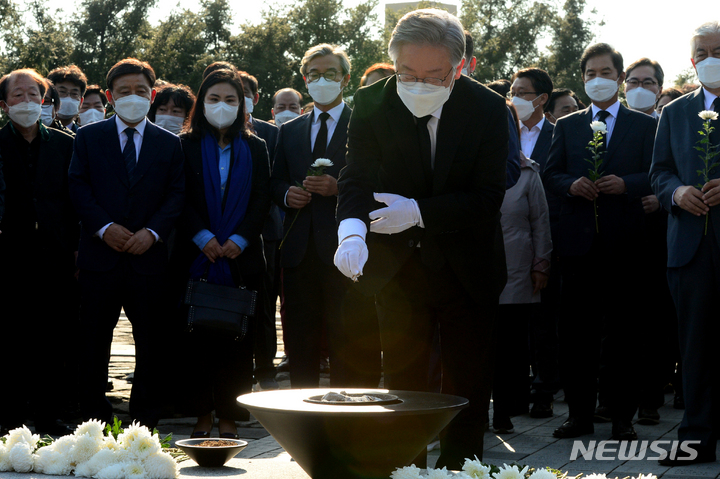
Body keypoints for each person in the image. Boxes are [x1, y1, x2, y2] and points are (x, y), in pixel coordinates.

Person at [334, 8, 509, 468]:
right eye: (407, 72)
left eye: (434, 75)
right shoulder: (371, 102)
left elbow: (489, 195)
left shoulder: (487, 107)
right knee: (405, 383)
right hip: (399, 269)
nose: (418, 84)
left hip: (468, 266)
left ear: (458, 67)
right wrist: (351, 232)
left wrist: (418, 212)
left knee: (467, 386)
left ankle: (462, 472)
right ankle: (407, 471)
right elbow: (355, 177)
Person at [543, 43, 656, 441]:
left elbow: (657, 173)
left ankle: (622, 417)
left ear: (620, 78)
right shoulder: (567, 125)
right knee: (575, 335)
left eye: (605, 72)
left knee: (624, 334)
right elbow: (550, 174)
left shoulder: (644, 126)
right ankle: (578, 416)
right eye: (590, 73)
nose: (596, 80)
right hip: (577, 247)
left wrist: (629, 184)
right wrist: (569, 184)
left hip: (626, 244)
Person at [68, 58, 185, 428]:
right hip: (100, 256)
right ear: (109, 96)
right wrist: (103, 227)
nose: (132, 97)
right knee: (92, 340)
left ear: (151, 94)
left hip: (147, 258)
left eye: (139, 91)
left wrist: (151, 233)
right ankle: (92, 415)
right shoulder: (88, 137)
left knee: (151, 340)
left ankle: (145, 415)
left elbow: (176, 194)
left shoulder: (170, 143)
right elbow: (78, 186)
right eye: (123, 92)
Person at [271, 43, 381, 388]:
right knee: (300, 340)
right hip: (299, 252)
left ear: (345, 78)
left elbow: (381, 180)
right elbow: (273, 182)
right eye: (314, 74)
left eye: (330, 73)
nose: (322, 80)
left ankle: (348, 413)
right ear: (305, 80)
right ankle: (303, 417)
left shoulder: (365, 125)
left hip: (345, 249)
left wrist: (340, 189)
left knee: (347, 336)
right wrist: (287, 194)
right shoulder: (289, 130)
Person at [171, 69, 271, 438]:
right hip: (197, 255)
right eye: (214, 98)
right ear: (201, 104)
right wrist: (203, 236)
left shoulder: (257, 146)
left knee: (238, 343)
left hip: (241, 259)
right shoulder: (184, 145)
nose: (222, 106)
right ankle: (201, 413)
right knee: (195, 340)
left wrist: (240, 239)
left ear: (242, 105)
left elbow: (262, 198)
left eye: (231, 99)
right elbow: (178, 196)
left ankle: (230, 415)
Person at [650, 20, 720, 466]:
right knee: (695, 346)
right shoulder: (675, 112)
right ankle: (696, 437)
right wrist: (676, 193)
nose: (709, 59)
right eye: (702, 52)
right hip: (689, 249)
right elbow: (659, 171)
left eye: (718, 51)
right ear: (691, 59)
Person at [0, 68, 78, 436]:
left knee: (54, 337)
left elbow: (76, 202)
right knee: (11, 337)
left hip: (56, 256)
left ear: (44, 101)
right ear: (4, 105)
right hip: (8, 256)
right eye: (18, 96)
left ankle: (49, 415)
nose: (27, 102)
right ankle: (11, 416)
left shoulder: (65, 144)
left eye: (34, 95)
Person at [491, 103, 552, 434]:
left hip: (516, 273)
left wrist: (541, 265)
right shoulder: (470, 168)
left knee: (510, 350)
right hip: (475, 275)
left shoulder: (528, 173)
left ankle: (504, 412)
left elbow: (540, 223)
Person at [509, 67, 560, 419]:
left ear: (541, 99)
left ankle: (544, 390)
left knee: (545, 323)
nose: (515, 98)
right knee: (513, 325)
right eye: (512, 91)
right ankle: (512, 392)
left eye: (522, 92)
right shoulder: (501, 133)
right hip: (511, 244)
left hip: (549, 237)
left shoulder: (561, 134)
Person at [47, 65, 88, 133]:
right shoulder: (36, 132)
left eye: (74, 94)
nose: (68, 98)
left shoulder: (82, 136)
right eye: (62, 92)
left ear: (81, 102)